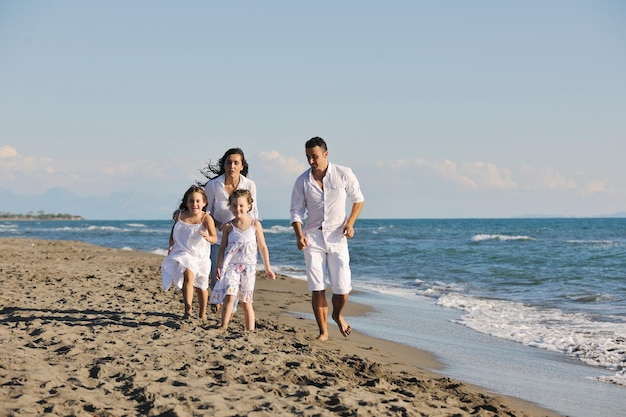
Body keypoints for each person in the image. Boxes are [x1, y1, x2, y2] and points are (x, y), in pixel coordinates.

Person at [290, 137, 364, 341]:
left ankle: (337, 314)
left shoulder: (343, 173)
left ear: (325, 154)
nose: (311, 161)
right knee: (317, 287)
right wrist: (299, 235)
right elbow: (296, 211)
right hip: (313, 238)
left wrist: (350, 223)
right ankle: (323, 331)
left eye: (314, 156)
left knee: (342, 289)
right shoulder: (302, 181)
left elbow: (358, 199)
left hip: (337, 237)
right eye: (307, 157)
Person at [203, 148, 260, 314]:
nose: (232, 166)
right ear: (224, 165)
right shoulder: (214, 185)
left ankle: (230, 309)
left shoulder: (249, 185)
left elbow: (254, 213)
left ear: (242, 166)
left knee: (235, 276)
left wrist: (254, 238)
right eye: (229, 162)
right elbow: (206, 212)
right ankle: (216, 296)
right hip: (218, 237)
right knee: (217, 274)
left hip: (241, 240)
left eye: (236, 163)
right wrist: (220, 224)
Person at [209, 189, 275, 331]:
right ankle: (223, 326)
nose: (238, 209)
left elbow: (262, 247)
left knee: (246, 301)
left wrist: (267, 267)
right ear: (230, 207)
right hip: (231, 267)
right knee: (230, 296)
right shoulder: (228, 226)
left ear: (249, 206)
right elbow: (222, 248)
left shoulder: (255, 224)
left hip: (249, 269)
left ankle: (249, 330)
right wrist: (219, 266)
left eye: (241, 205)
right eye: (234, 206)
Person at [161, 185, 218, 320]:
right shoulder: (179, 216)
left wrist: (207, 237)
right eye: (191, 201)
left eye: (198, 201)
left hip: (201, 256)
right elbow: (174, 231)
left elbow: (215, 238)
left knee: (201, 287)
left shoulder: (206, 218)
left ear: (204, 203)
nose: (195, 204)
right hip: (184, 253)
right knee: (188, 276)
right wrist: (171, 244)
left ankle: (202, 313)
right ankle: (188, 310)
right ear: (186, 202)